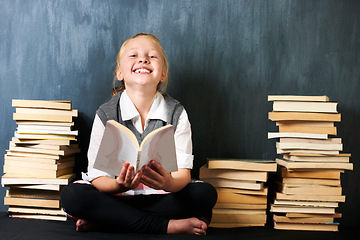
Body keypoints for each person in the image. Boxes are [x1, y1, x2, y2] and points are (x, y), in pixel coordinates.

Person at [60, 33, 217, 235]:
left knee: (205, 194)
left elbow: (183, 174)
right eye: (133, 55)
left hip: (161, 196)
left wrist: (169, 183)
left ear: (163, 75)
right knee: (73, 195)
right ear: (120, 72)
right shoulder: (106, 114)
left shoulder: (176, 112)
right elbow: (98, 177)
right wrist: (117, 185)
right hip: (116, 196)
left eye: (152, 56)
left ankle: (110, 221)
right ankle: (166, 226)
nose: (143, 59)